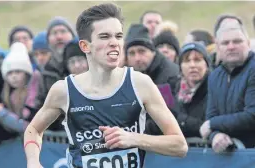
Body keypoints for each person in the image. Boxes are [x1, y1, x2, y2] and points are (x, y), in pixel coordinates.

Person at [24, 3, 187, 168]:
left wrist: (134, 138)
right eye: (105, 37)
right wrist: (33, 162)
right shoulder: (64, 90)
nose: (114, 43)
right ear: (85, 46)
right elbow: (33, 130)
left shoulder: (140, 84)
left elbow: (180, 145)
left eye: (118, 36)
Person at [200, 24, 255, 152]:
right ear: (218, 48)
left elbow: (252, 115)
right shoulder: (214, 75)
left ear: (248, 43)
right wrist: (216, 135)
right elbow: (211, 115)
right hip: (230, 157)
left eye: (237, 41)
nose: (231, 46)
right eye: (225, 43)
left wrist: (212, 125)